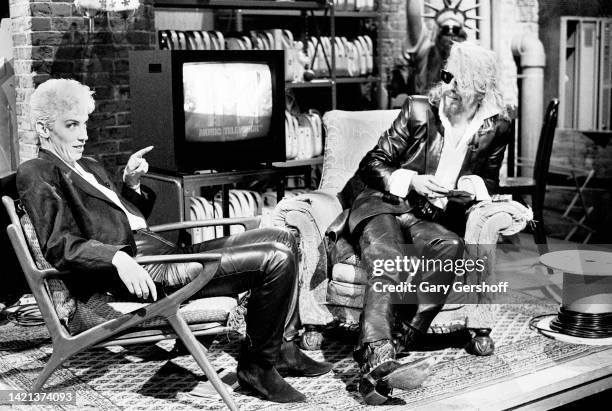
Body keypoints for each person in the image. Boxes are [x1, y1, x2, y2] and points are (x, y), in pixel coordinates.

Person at [16, 78, 332, 404]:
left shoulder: (88, 165)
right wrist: (117, 258)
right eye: (71, 125)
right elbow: (58, 244)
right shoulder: (38, 172)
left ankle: (282, 347)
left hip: (164, 252)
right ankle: (257, 367)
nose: (83, 134)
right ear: (43, 128)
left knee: (284, 236)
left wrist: (131, 184)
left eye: (84, 123)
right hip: (146, 270)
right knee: (275, 258)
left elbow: (118, 221)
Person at [334, 41, 513, 404]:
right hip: (384, 203)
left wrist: (468, 186)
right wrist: (411, 180)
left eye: (455, 79)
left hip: (430, 216)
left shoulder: (498, 125)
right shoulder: (418, 110)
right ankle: (379, 356)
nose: (446, 85)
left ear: (478, 85)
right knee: (388, 257)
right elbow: (373, 163)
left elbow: (491, 181)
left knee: (451, 247)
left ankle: (395, 344)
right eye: (445, 76)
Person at [404, 0, 470, 94]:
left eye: (455, 30)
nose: (450, 34)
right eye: (445, 29)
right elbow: (413, 19)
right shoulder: (427, 53)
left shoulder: (468, 60)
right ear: (439, 34)